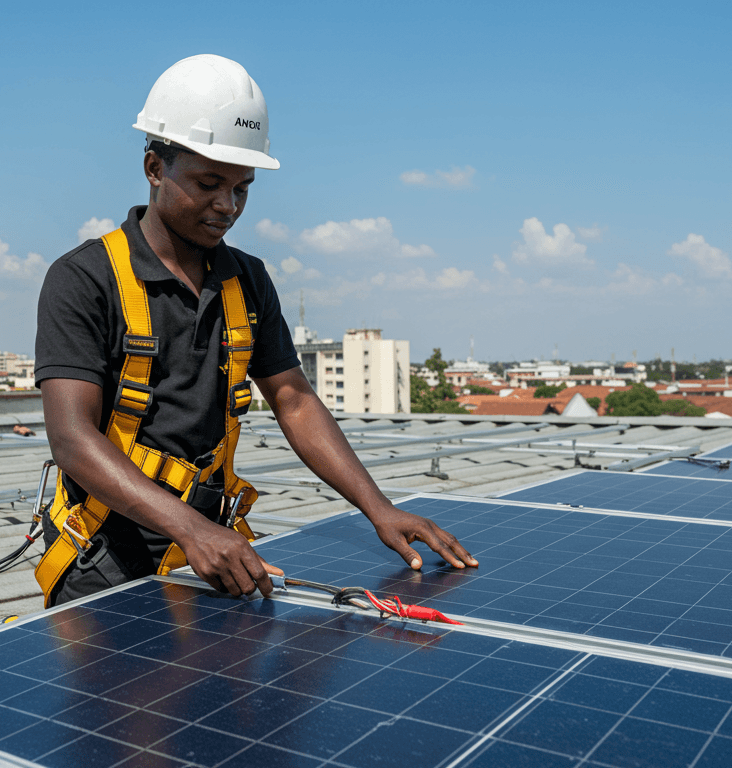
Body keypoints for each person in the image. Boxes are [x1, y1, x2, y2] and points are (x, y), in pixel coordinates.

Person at [33, 54, 477, 607]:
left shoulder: (246, 279)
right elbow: (72, 439)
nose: (228, 206)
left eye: (242, 188)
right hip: (106, 558)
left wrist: (379, 508)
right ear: (154, 168)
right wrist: (192, 529)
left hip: (215, 556)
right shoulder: (84, 278)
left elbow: (294, 400)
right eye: (209, 183)